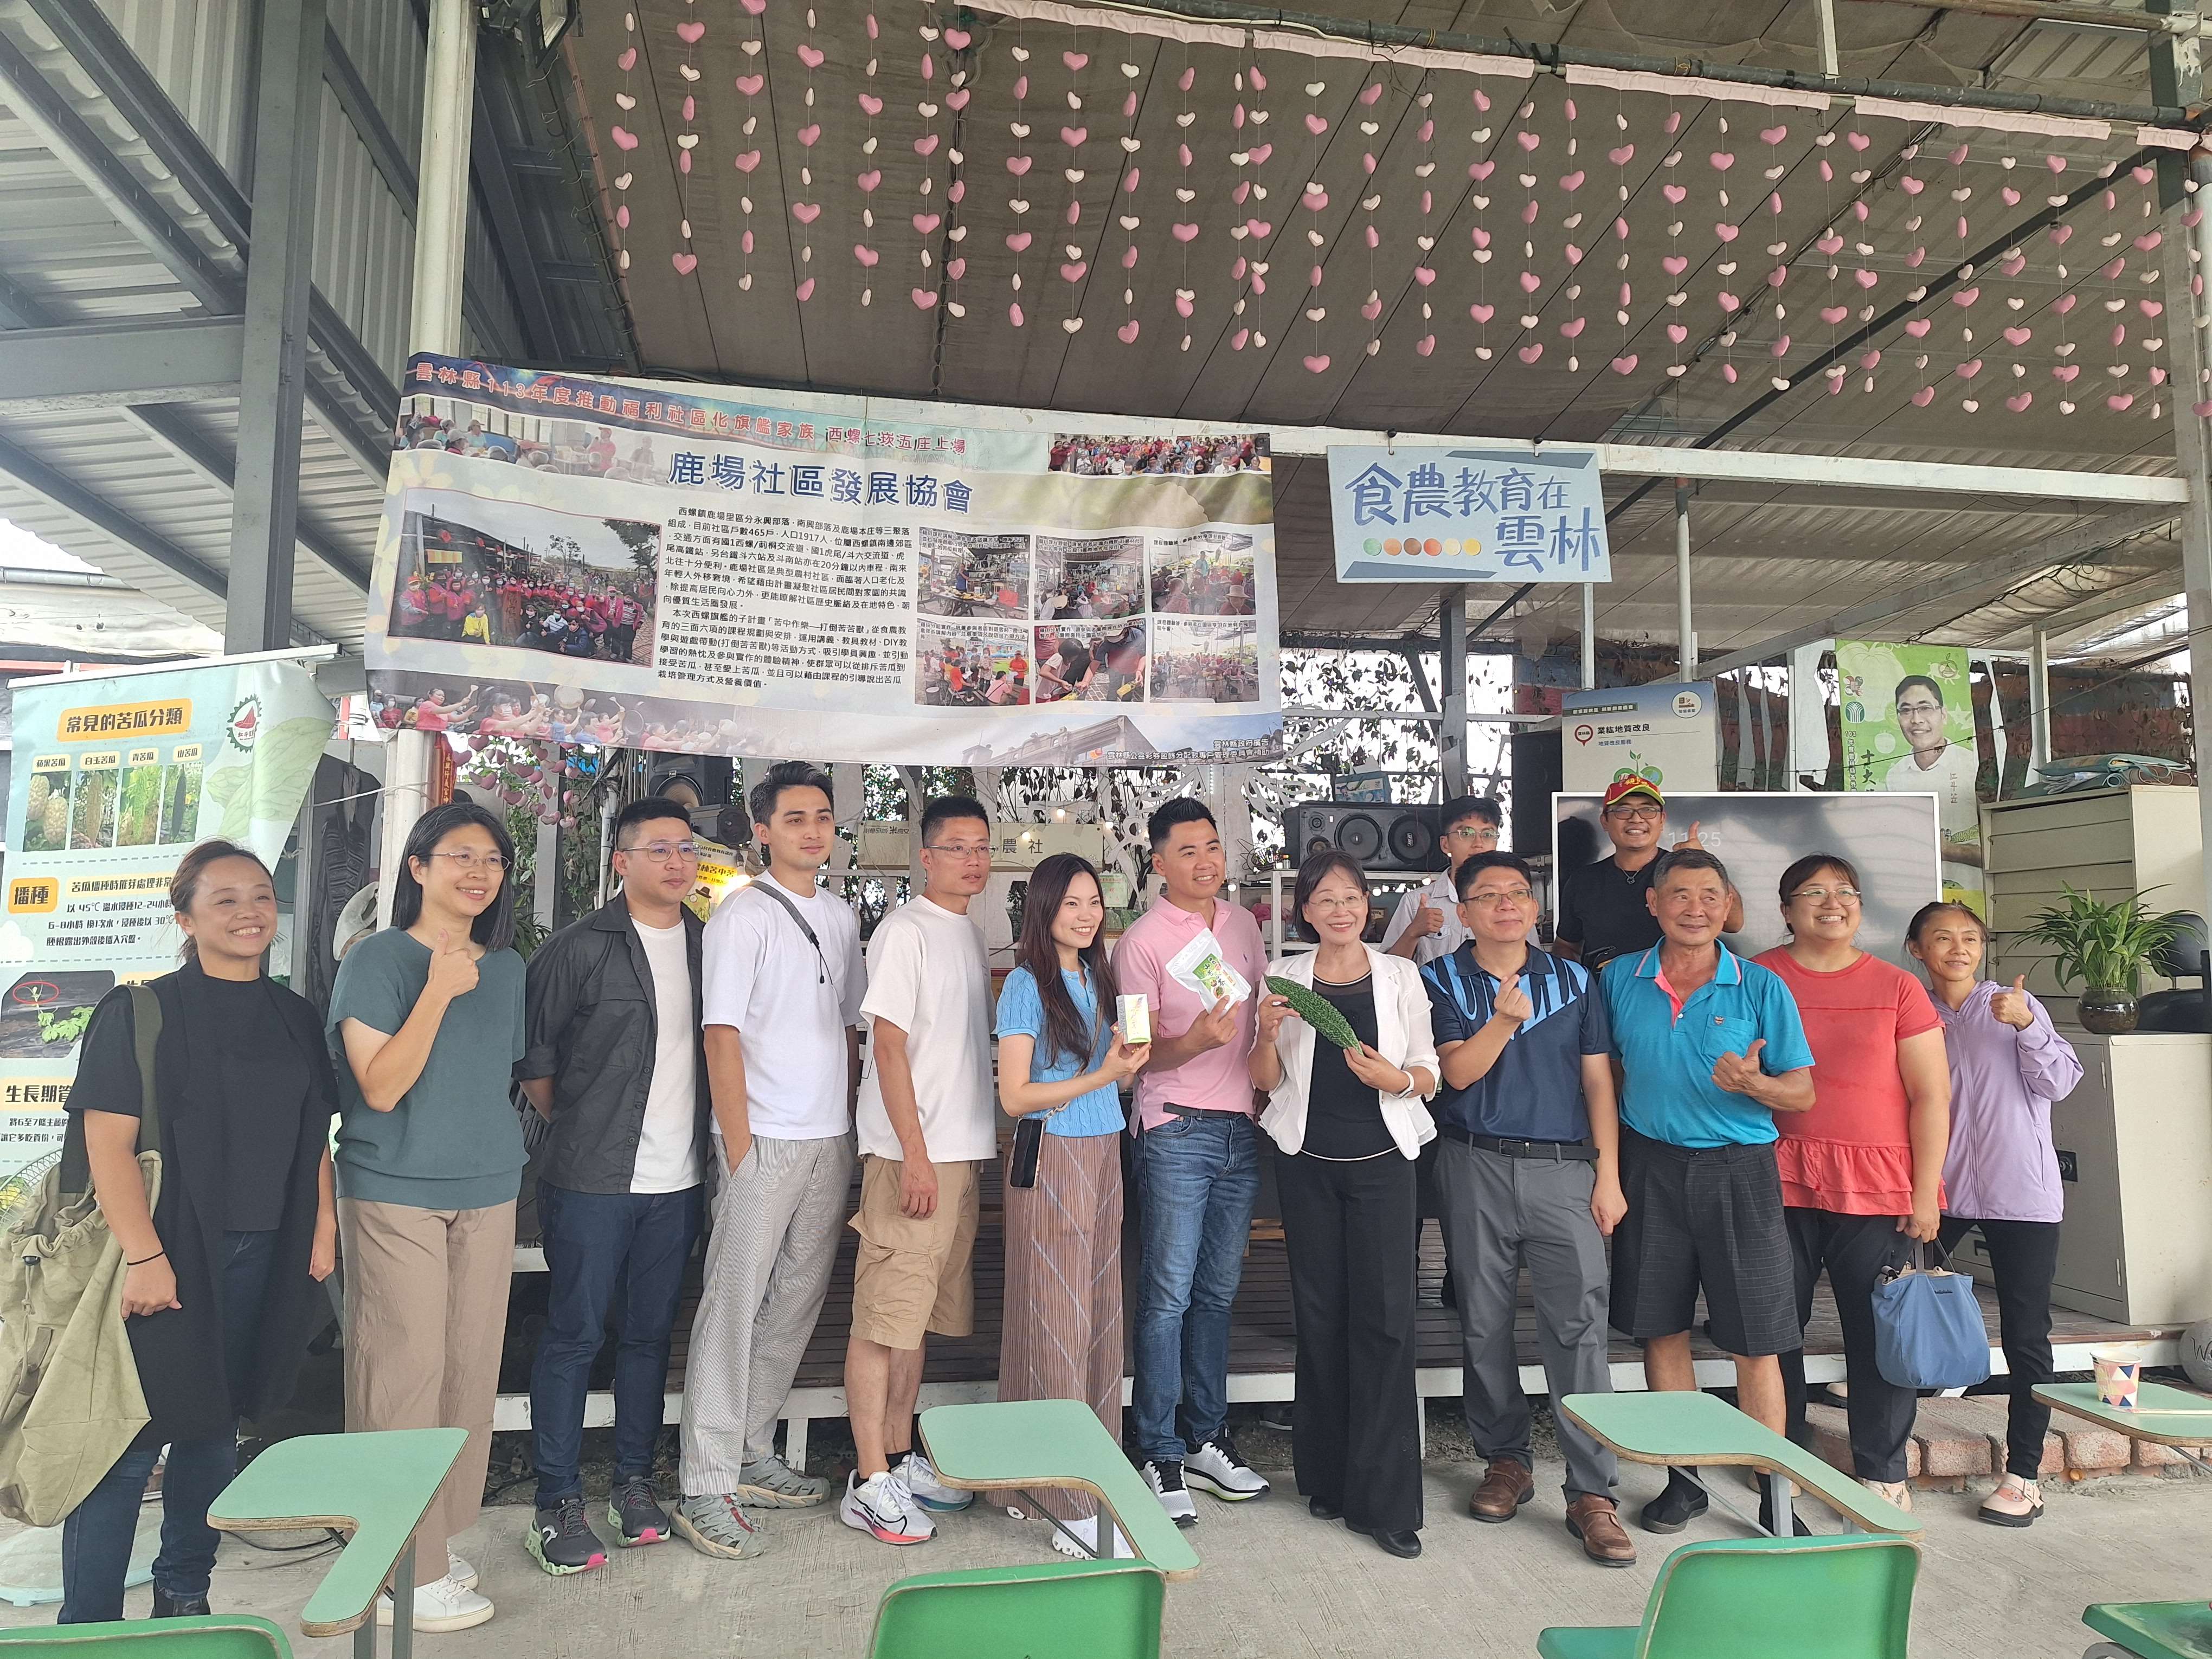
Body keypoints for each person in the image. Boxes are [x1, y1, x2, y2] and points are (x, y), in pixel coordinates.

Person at [57, 843, 338, 1624]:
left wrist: (322, 1224)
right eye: (225, 901)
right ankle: (88, 1626)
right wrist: (146, 1257)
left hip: (264, 1254)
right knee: (128, 1445)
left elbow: (312, 1131)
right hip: (167, 1254)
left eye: (261, 897)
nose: (250, 913)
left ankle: (185, 1596)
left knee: (215, 1430)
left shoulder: (295, 1016)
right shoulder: (142, 1011)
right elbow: (106, 1143)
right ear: (185, 917)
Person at [331, 801, 527, 1632]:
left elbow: (494, 1077)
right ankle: (394, 1570)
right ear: (416, 867)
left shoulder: (509, 965)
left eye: (491, 861)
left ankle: (433, 1546)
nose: (477, 873)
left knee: (465, 1378)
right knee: (399, 1377)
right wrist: (440, 990)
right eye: (458, 857)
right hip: (393, 1187)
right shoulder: (377, 959)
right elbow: (379, 1085)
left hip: (489, 1184)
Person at [1422, 852, 1635, 1567]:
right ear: (1464, 911)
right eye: (1488, 896)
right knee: (1482, 1320)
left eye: (1518, 893)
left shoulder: (1574, 979)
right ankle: (1505, 1460)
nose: (1506, 906)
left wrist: (1608, 1174)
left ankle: (1592, 1491)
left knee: (1578, 1326)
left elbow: (1599, 1081)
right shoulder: (1441, 979)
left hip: (1563, 1168)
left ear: (1535, 906)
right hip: (1473, 1160)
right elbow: (1456, 1072)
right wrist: (1504, 1023)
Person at [515, 799, 710, 1573]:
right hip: (592, 1178)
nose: (676, 862)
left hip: (681, 1179)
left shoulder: (710, 945)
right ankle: (556, 1500)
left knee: (648, 1337)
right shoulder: (577, 948)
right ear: (621, 861)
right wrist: (585, 1128)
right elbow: (535, 1063)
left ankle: (632, 1483)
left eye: (686, 849)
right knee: (573, 1335)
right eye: (657, 848)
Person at [1598, 847, 1816, 1536]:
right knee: (1660, 1328)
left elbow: (1802, 1091)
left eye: (1710, 897)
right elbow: (1599, 1079)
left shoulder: (1758, 987)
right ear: (1654, 904)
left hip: (1739, 1171)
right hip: (1649, 1168)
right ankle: (1682, 1480)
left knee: (1758, 1339)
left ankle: (1774, 1496)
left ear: (1728, 907)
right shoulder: (1614, 981)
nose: (1696, 908)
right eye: (1681, 895)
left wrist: (1755, 1085)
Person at [684, 762, 866, 1555]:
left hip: (828, 1137)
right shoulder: (740, 917)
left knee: (793, 1302)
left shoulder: (842, 917)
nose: (812, 830)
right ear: (761, 830)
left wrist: (848, 1126)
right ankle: (704, 1484)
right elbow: (719, 1034)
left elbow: (849, 1027)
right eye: (795, 818)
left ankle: (754, 1450)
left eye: (822, 816)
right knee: (732, 1309)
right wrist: (742, 1145)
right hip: (761, 1138)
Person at [1251, 852, 1438, 1559]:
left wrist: (1398, 1078)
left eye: (1351, 898)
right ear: (1305, 911)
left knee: (1387, 1323)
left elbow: (1431, 1069)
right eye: (1324, 899)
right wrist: (1264, 1035)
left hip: (1385, 1166)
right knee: (1321, 1318)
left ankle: (1387, 1502)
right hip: (1307, 1166)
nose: (1339, 909)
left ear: (1369, 908)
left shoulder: (1400, 976)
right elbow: (1264, 1082)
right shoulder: (1286, 982)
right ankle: (1327, 1478)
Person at [1753, 854, 1950, 1511]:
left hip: (1876, 1185)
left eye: (1845, 893)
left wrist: (1925, 1194)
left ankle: (1881, 1467)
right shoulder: (1757, 978)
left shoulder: (1898, 987)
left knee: (1880, 1332)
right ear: (1785, 910)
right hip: (1776, 1177)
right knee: (1775, 1325)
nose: (1832, 903)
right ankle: (1778, 1455)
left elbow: (1930, 1097)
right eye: (1813, 892)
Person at [840, 796, 998, 1545]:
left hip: (959, 1152)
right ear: (925, 856)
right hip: (915, 1155)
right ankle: (868, 1478)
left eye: (981, 847)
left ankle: (899, 1456)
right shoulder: (904, 932)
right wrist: (914, 1152)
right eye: (956, 846)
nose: (972, 858)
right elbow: (890, 1047)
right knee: (882, 1317)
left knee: (916, 1320)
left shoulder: (968, 931)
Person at [1112, 798, 1271, 1525]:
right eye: (1189, 852)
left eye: (1214, 848)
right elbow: (1137, 1055)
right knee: (1168, 1297)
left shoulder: (1243, 926)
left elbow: (1261, 1015)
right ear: (1158, 864)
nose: (1207, 862)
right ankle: (1157, 1449)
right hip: (1175, 1127)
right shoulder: (1140, 943)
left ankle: (1208, 1439)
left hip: (1242, 1128)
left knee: (1216, 1295)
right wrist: (1199, 1043)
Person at [994, 853, 1153, 1558]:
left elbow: (1114, 1073)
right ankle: (1063, 1501)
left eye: (1096, 903)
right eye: (1072, 905)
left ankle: (1079, 1477)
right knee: (1056, 1322)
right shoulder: (1027, 984)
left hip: (1103, 1152)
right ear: (1044, 912)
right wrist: (1105, 1075)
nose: (1088, 916)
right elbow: (1015, 1096)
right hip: (1052, 1154)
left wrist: (1126, 1067)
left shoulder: (1098, 975)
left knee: (1096, 1321)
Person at [1908, 902, 2082, 1527]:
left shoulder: (2010, 1006)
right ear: (1916, 949)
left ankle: (2024, 1475)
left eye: (1970, 938)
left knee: (2026, 1334)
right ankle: (1894, 1434)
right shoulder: (1911, 1010)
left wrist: (2029, 1024)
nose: (1958, 948)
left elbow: (2061, 1082)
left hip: (2022, 1192)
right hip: (1941, 1188)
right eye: (1942, 938)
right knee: (1895, 1295)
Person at [1555, 776, 1742, 970]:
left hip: (1674, 991)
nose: (1636, 819)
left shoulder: (1681, 873)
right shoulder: (1583, 880)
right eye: (1623, 810)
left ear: (1662, 820)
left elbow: (1734, 924)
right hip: (1603, 995)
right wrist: (1579, 983)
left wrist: (1703, 860)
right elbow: (1566, 946)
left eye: (1648, 810)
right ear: (1605, 821)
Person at [1880, 674, 1984, 902]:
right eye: (1906, 710)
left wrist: (1950, 851)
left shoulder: (1972, 765)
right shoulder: (1895, 775)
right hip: (1918, 894)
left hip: (1975, 894)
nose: (1916, 719)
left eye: (1925, 708)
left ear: (1943, 714)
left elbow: (2005, 848)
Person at [1380, 796, 1503, 966]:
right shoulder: (1417, 902)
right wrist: (1413, 932)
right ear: (1446, 845)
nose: (1478, 844)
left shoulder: (1511, 902)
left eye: (1488, 834)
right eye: (1466, 833)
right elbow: (1389, 971)